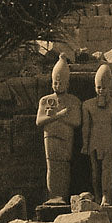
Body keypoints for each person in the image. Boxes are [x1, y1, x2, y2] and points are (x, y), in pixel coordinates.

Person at [36, 53, 82, 203]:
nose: (57, 86)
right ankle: (53, 196)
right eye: (55, 83)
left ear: (67, 84)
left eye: (61, 83)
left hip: (66, 137)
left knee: (64, 166)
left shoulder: (74, 101)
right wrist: (59, 115)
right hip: (50, 137)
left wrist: (57, 116)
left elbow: (76, 122)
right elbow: (39, 121)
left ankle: (61, 196)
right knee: (52, 166)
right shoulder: (45, 100)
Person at [81, 64, 112, 206]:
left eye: (104, 88)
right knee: (95, 171)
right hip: (93, 141)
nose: (101, 91)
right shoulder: (87, 105)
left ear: (110, 87)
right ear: (95, 87)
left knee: (106, 170)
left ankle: (106, 196)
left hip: (109, 140)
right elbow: (86, 126)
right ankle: (98, 196)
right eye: (98, 88)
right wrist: (85, 144)